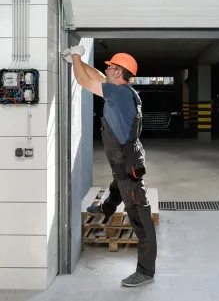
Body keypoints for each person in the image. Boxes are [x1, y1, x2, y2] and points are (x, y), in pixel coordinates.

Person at [61, 45, 157, 288]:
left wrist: (76, 58)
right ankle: (106, 208)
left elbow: (84, 81)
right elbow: (96, 76)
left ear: (119, 72)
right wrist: (76, 61)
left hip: (126, 163)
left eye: (111, 68)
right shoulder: (123, 90)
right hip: (124, 160)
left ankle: (145, 271)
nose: (108, 71)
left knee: (140, 217)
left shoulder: (118, 94)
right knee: (117, 187)